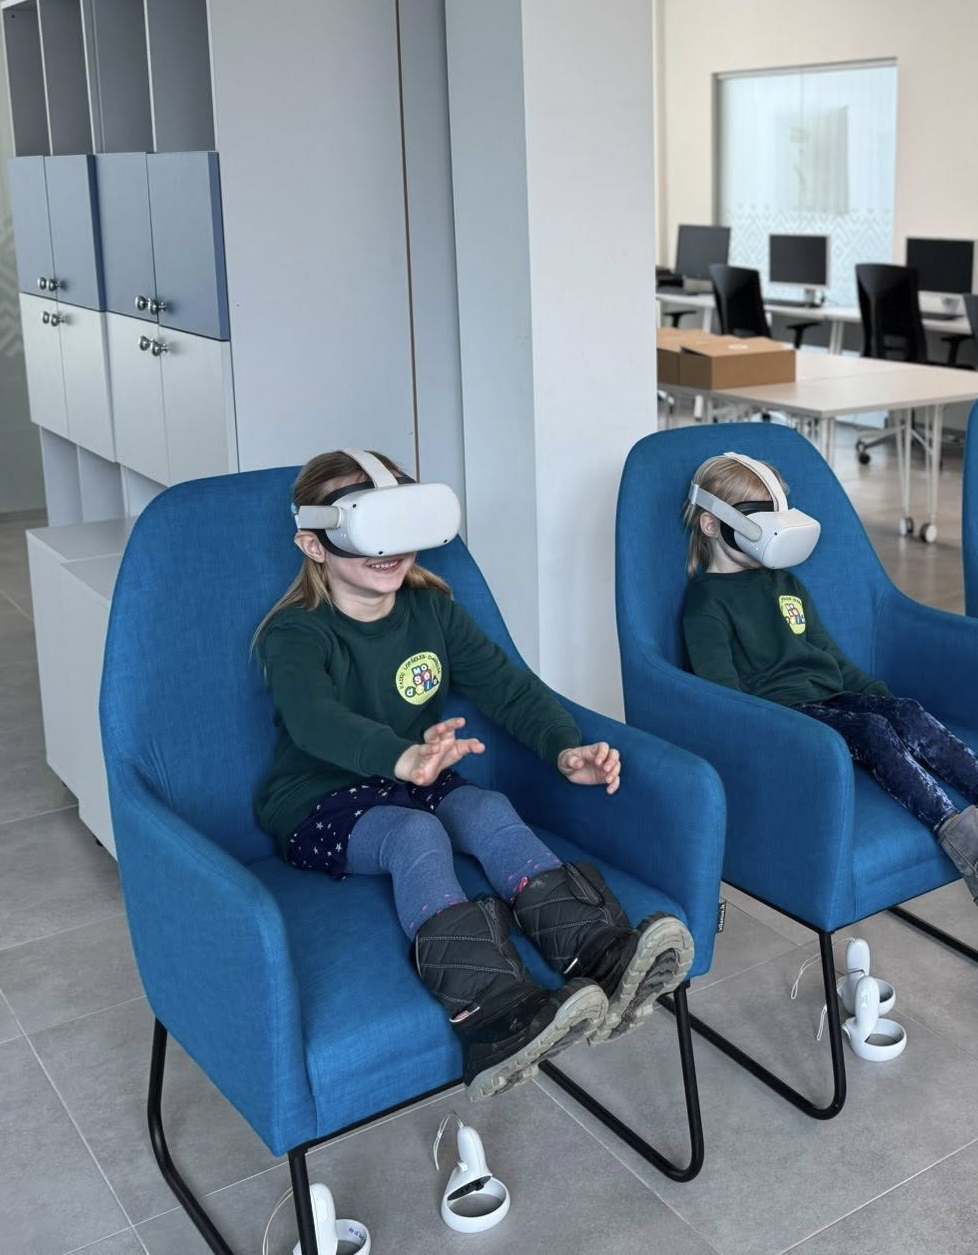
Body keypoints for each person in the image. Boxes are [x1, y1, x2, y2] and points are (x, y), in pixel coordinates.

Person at [254, 449, 694, 1102]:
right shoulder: (295, 633)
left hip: (414, 774)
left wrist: (564, 749)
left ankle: (599, 953)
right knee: (416, 837)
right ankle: (492, 1015)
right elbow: (316, 721)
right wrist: (402, 756)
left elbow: (509, 688)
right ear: (313, 544)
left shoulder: (431, 611)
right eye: (367, 530)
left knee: (488, 810)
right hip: (317, 799)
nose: (388, 550)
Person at [680, 451, 978, 911]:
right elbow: (725, 699)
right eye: (760, 515)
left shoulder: (786, 584)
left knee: (905, 712)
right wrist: (795, 739)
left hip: (833, 698)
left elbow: (831, 658)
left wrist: (893, 709)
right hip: (789, 717)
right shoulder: (707, 602)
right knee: (872, 730)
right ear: (712, 524)